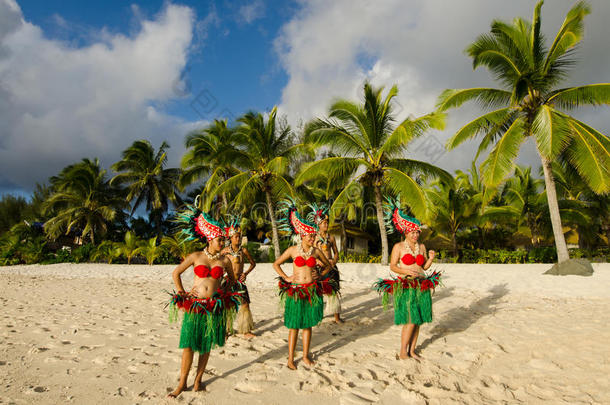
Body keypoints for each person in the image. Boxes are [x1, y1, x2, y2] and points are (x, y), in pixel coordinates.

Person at [167, 205, 241, 398]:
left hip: (213, 307)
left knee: (206, 345)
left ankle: (198, 380)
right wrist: (183, 293)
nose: (222, 242)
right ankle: (182, 383)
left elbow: (232, 281)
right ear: (210, 239)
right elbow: (176, 273)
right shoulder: (196, 256)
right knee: (189, 345)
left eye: (223, 239)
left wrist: (222, 292)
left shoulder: (224, 261)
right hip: (196, 305)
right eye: (219, 239)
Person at [374, 197, 441, 360]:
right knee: (411, 319)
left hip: (422, 285)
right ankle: (403, 351)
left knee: (418, 320)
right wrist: (406, 272)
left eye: (418, 231)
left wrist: (430, 259)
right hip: (407, 285)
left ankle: (412, 350)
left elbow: (424, 267)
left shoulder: (422, 247)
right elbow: (392, 266)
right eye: (413, 232)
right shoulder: (398, 247)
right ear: (406, 232)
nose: (416, 234)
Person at [273, 198, 331, 370]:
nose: (313, 238)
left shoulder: (316, 251)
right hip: (296, 290)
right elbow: (276, 264)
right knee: (294, 326)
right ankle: (291, 358)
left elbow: (328, 265)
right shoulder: (292, 250)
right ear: (302, 236)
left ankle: (305, 355)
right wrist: (286, 277)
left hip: (311, 290)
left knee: (307, 325)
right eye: (310, 236)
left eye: (313, 235)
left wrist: (320, 275)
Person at [222, 215, 257, 339]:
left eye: (240, 237)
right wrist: (222, 275)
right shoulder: (225, 251)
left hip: (240, 282)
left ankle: (245, 330)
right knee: (228, 306)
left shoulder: (244, 251)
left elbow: (253, 264)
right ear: (231, 238)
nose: (239, 239)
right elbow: (217, 264)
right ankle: (226, 330)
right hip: (228, 282)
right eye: (236, 237)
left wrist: (245, 274)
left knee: (245, 304)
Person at [308, 203, 343, 323]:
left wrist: (334, 261)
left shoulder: (331, 238)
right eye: (324, 223)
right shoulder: (314, 238)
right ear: (318, 225)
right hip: (319, 268)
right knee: (318, 291)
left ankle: (337, 317)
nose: (326, 225)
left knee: (334, 291)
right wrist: (318, 261)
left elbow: (336, 253)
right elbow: (311, 253)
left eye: (327, 223)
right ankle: (318, 316)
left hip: (331, 267)